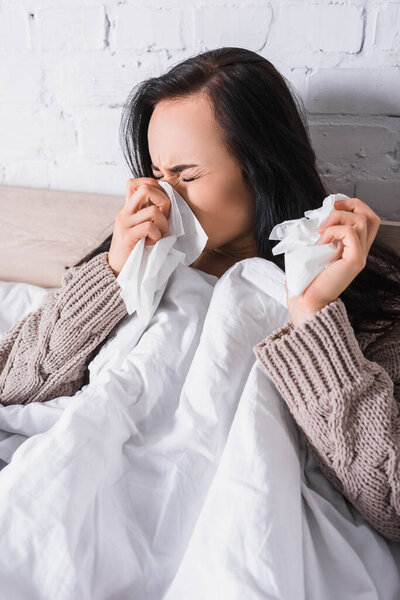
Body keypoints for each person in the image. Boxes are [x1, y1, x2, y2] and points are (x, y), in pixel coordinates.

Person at [0, 47, 399, 542]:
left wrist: (313, 317)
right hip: (75, 503)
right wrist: (112, 271)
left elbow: (388, 502)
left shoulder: (357, 291)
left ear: (261, 167)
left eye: (188, 177)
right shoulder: (140, 253)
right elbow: (12, 386)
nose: (168, 198)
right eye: (160, 176)